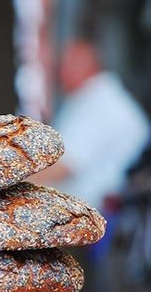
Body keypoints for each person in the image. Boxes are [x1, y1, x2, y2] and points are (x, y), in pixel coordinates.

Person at [35, 40, 150, 208]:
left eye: (66, 64)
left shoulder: (98, 101)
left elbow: (64, 166)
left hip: (98, 217)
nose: (59, 71)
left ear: (84, 64)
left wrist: (8, 182)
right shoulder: (101, 95)